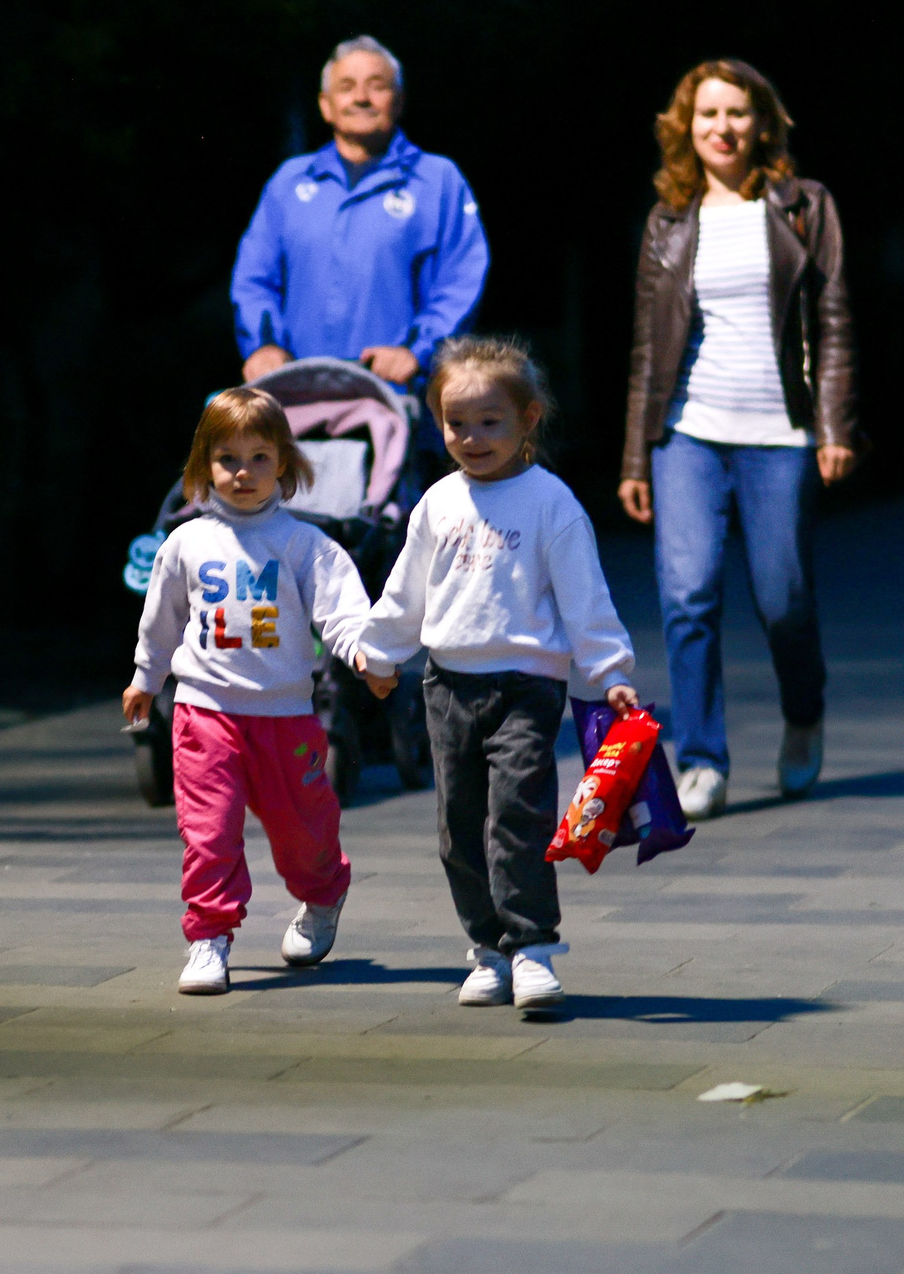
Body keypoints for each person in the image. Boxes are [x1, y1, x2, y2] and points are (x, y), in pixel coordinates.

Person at [352, 338, 639, 1012]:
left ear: (528, 418)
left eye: (490, 422)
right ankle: (486, 949)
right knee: (458, 824)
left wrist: (610, 670)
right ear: (437, 423)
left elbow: (585, 596)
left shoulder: (550, 503)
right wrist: (381, 653)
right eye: (457, 423)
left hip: (526, 687)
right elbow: (405, 592)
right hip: (448, 685)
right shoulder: (437, 504)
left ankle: (533, 946)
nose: (473, 438)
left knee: (517, 814)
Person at [616, 59, 860, 820]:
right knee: (687, 595)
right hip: (687, 433)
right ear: (686, 129)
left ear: (763, 123)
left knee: (783, 596)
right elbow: (649, 350)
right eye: (707, 115)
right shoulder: (668, 221)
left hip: (779, 432)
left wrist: (833, 427)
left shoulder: (804, 207)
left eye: (737, 113)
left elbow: (833, 321)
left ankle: (804, 711)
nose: (723, 128)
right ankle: (701, 758)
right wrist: (636, 456)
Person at [127, 389, 376, 996]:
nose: (243, 473)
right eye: (227, 459)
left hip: (285, 717)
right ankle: (209, 937)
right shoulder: (185, 543)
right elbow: (161, 619)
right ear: (202, 467)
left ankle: (323, 895)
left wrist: (364, 652)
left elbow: (340, 611)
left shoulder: (305, 545)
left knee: (303, 832)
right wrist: (145, 676)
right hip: (204, 713)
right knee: (208, 831)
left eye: (260, 458)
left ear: (284, 465)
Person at [231, 36, 489, 388]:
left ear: (398, 102)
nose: (361, 98)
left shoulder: (438, 179)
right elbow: (253, 279)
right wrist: (264, 347)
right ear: (325, 105)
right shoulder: (289, 182)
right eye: (346, 87)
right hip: (294, 398)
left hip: (400, 401)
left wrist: (417, 351)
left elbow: (462, 277)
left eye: (377, 86)